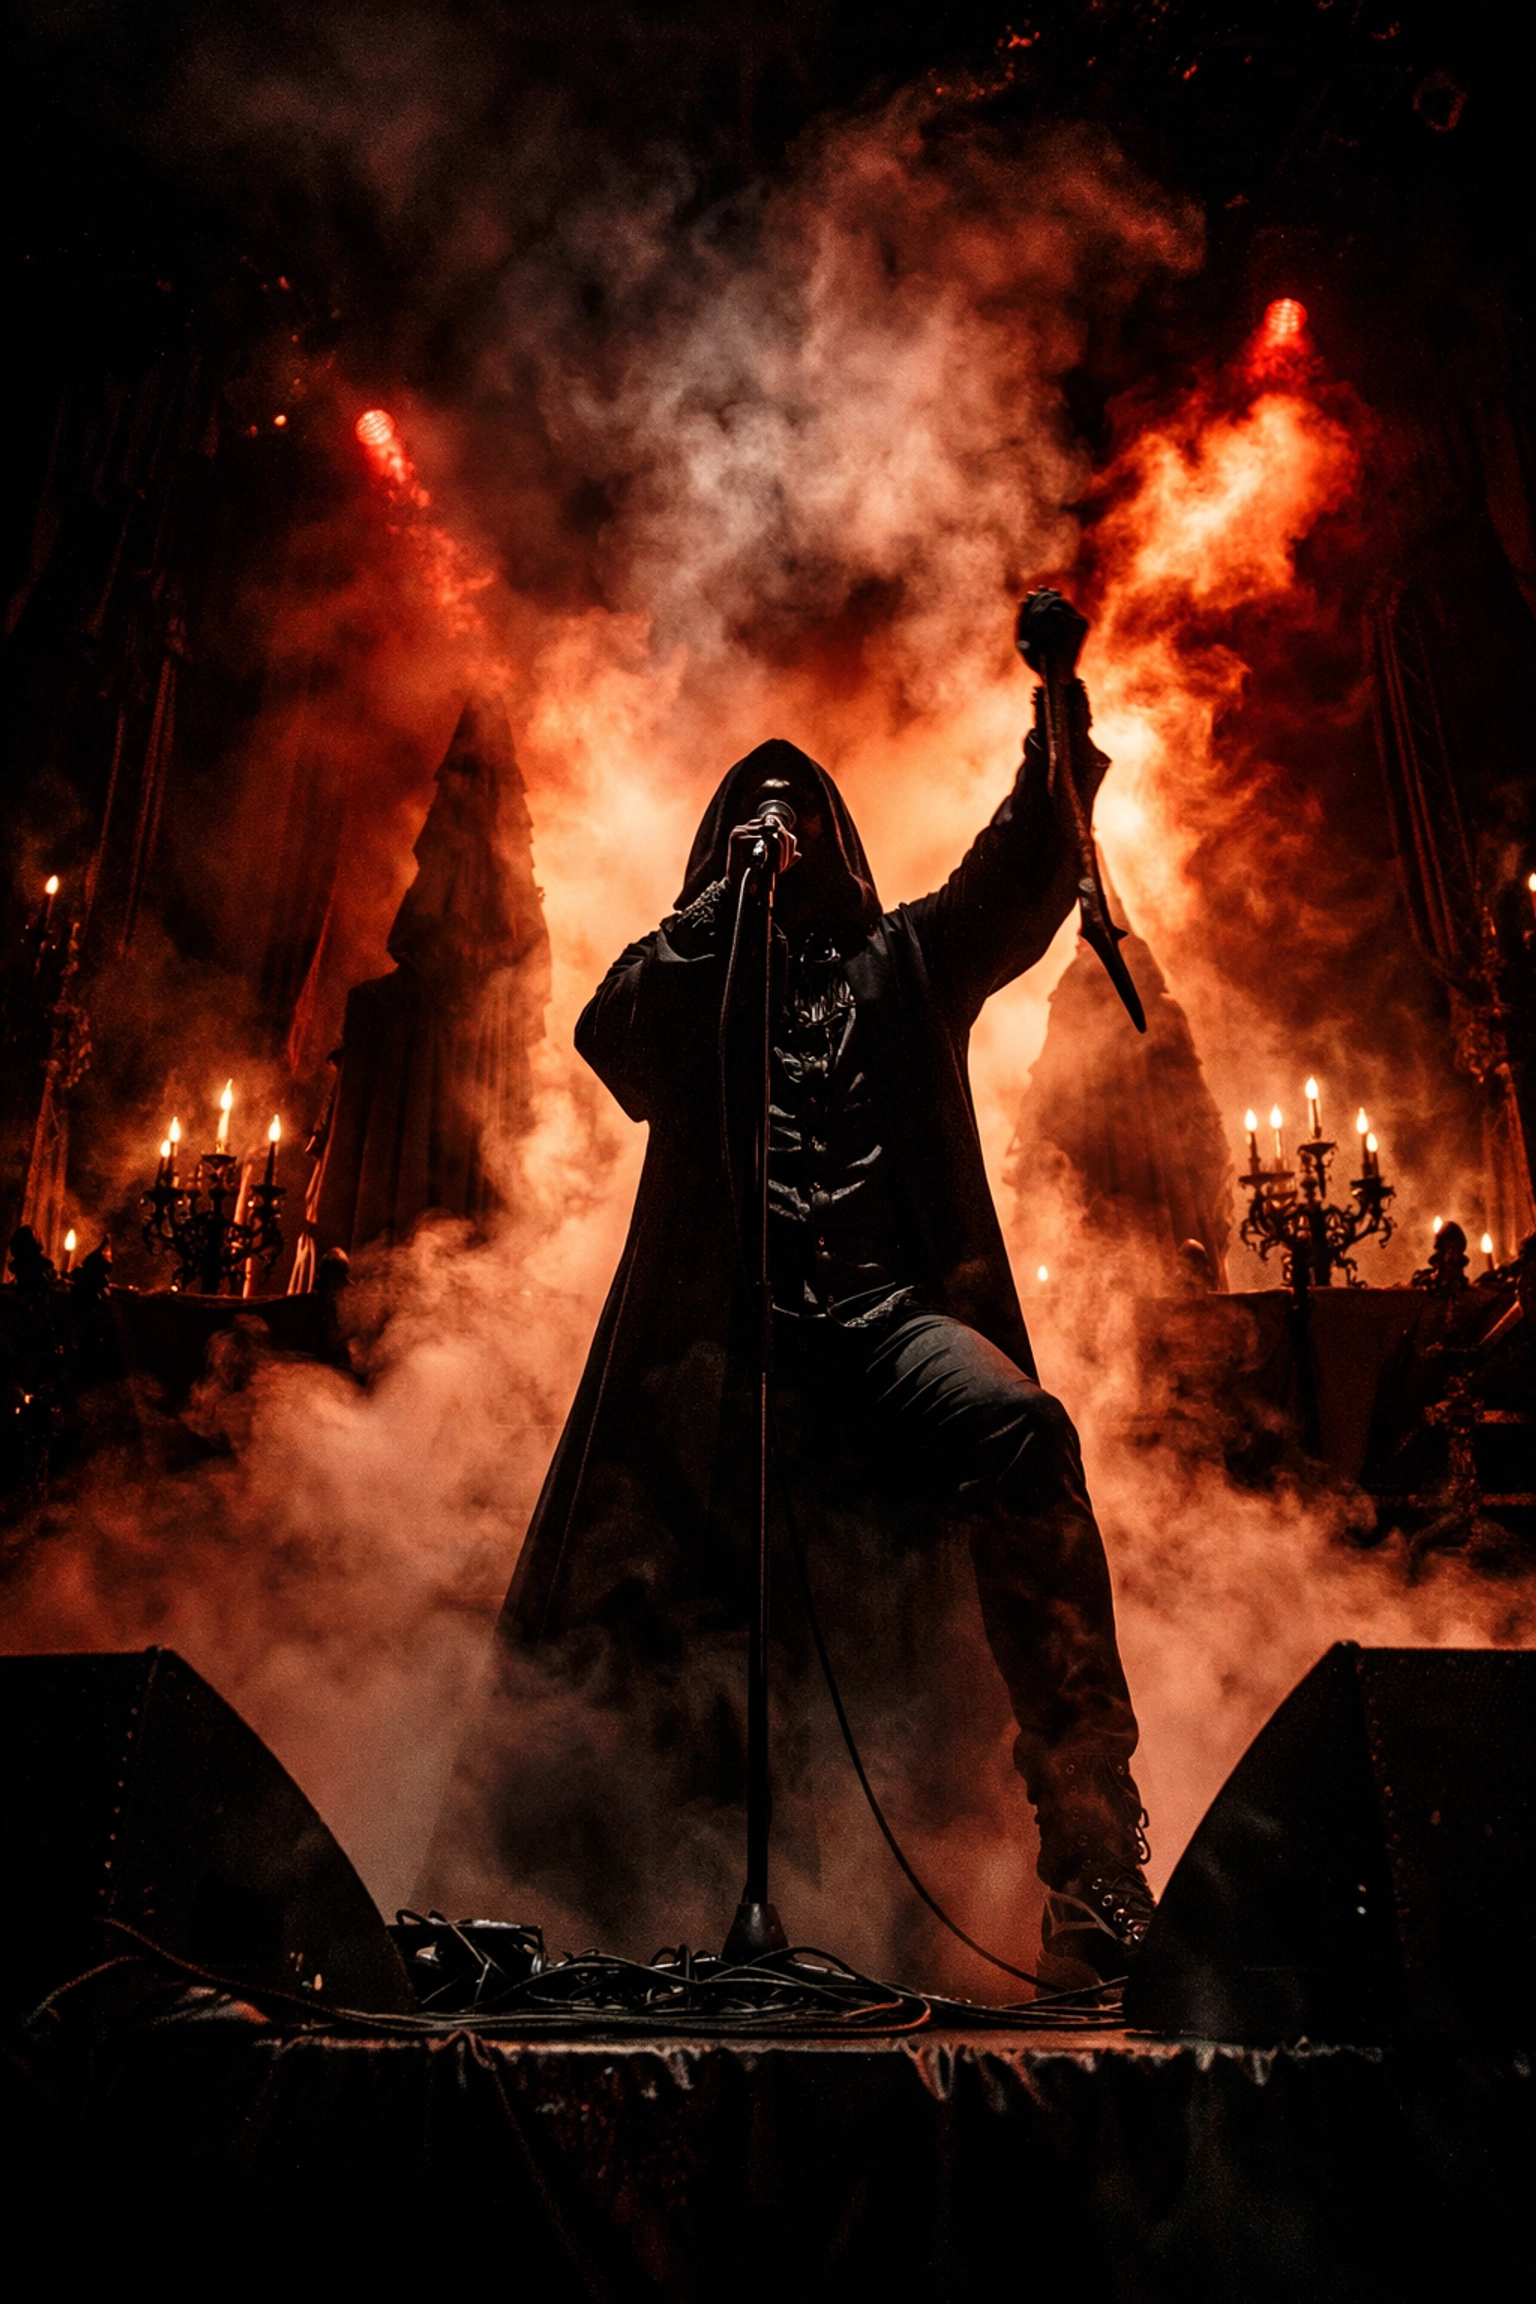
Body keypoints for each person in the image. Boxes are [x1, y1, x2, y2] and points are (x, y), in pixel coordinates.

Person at [431, 595, 1152, 1987]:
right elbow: (615, 1041)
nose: (780, 821)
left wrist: (1057, 715)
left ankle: (1096, 1854)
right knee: (637, 1584)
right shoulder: (690, 974)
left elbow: (1024, 866)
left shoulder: (910, 962)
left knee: (1019, 1433)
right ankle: (590, 1893)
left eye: (799, 804)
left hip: (879, 1321)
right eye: (751, 809)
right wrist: (721, 908)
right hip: (721, 1342)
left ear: (839, 836)